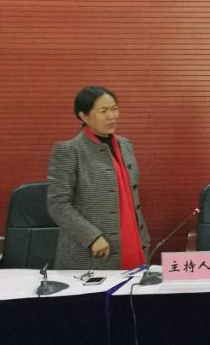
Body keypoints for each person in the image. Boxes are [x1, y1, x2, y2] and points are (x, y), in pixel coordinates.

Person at [47, 86, 149, 270]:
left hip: (132, 241)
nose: (112, 116)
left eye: (114, 109)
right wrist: (91, 236)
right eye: (103, 111)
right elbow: (57, 204)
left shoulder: (126, 145)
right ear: (84, 116)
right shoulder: (69, 150)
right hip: (91, 252)